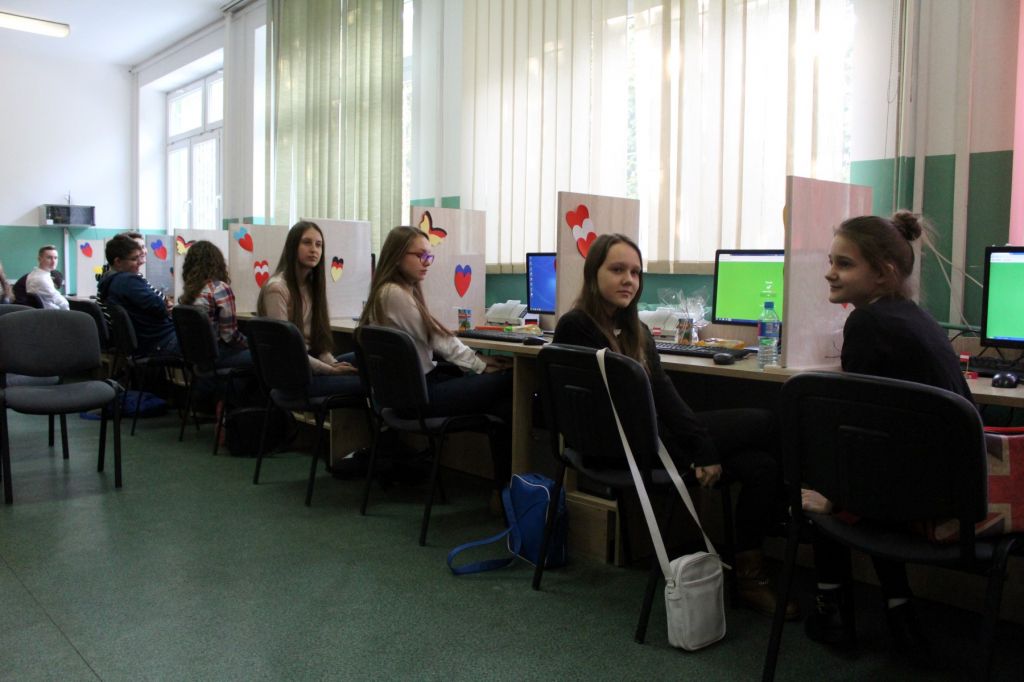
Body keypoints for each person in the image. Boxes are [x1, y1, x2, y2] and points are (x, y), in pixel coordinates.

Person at [553, 233, 797, 619]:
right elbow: (635, 408)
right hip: (627, 448)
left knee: (760, 466)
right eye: (617, 270)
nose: (629, 280)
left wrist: (703, 449)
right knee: (765, 420)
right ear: (593, 273)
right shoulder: (576, 326)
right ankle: (791, 511)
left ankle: (749, 573)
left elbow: (664, 396)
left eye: (635, 272)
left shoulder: (636, 331)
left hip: (649, 441)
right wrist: (702, 448)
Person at [801, 210, 972, 652]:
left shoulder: (867, 324)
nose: (830, 272)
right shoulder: (915, 317)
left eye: (844, 264)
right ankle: (899, 607)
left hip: (916, 498)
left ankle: (831, 607)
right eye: (831, 261)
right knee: (846, 464)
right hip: (954, 489)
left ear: (883, 274)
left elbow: (861, 437)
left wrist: (833, 497)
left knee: (815, 469)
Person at [357, 225, 514, 490]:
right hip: (420, 399)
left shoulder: (387, 292)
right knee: (511, 380)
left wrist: (478, 361)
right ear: (397, 256)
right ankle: (507, 490)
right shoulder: (394, 294)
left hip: (404, 398)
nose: (426, 262)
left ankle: (504, 489)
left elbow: (434, 339)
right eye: (419, 255)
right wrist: (479, 363)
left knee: (503, 406)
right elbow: (437, 339)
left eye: (429, 256)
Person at [256, 221, 360, 397]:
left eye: (318, 245)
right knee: (366, 382)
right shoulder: (277, 288)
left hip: (309, 365)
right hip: (293, 377)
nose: (314, 250)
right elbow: (286, 350)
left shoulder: (311, 286)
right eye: (306, 243)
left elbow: (316, 342)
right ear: (292, 246)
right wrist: (330, 370)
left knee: (363, 361)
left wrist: (333, 363)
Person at [97, 235, 179, 356]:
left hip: (148, 342)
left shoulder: (109, 282)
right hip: (160, 340)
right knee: (203, 340)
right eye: (134, 259)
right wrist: (163, 305)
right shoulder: (128, 281)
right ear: (118, 261)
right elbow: (160, 307)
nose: (139, 262)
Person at [179, 240, 250, 369]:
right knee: (263, 357)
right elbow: (230, 336)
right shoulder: (219, 288)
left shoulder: (190, 293)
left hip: (198, 359)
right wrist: (252, 344)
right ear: (217, 263)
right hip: (217, 355)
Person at [26, 245, 69, 310]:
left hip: (45, 312)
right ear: (39, 259)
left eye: (55, 258)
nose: (53, 261)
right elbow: (64, 304)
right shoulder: (42, 279)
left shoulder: (33, 274)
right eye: (49, 258)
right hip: (51, 313)